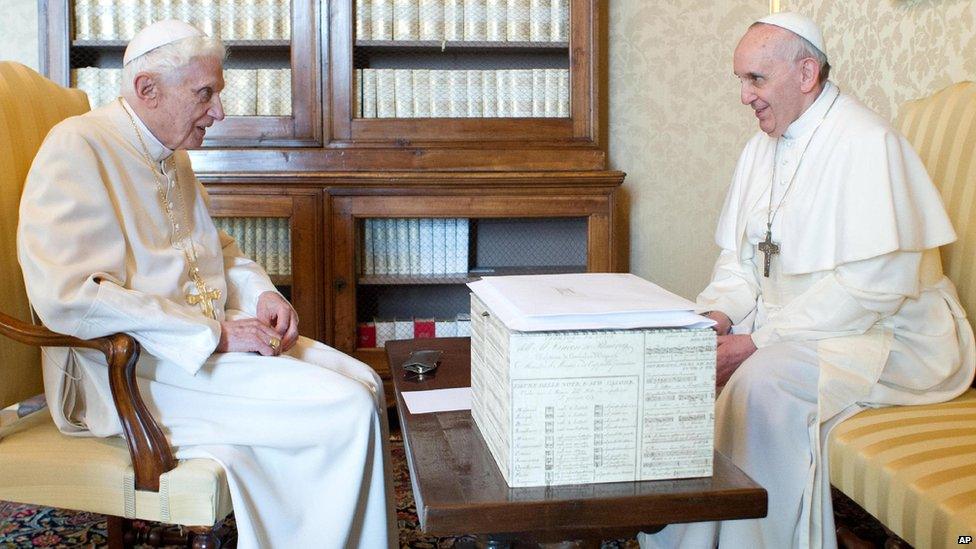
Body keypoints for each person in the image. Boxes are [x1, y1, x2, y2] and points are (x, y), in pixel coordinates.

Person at [17, 20, 395, 549]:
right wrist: (213, 334)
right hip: (127, 370)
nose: (219, 111)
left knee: (368, 385)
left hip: (191, 352)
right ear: (148, 89)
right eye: (206, 93)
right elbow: (68, 296)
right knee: (345, 408)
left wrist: (263, 293)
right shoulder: (76, 147)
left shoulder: (169, 153)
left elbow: (214, 250)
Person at [640, 12, 975, 549]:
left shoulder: (868, 144)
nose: (745, 96)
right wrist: (716, 318)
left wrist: (754, 342)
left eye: (756, 79)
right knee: (680, 358)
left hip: (893, 334)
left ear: (805, 73)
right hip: (803, 326)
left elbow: (872, 290)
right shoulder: (759, 150)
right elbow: (742, 263)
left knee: (762, 380)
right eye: (741, 81)